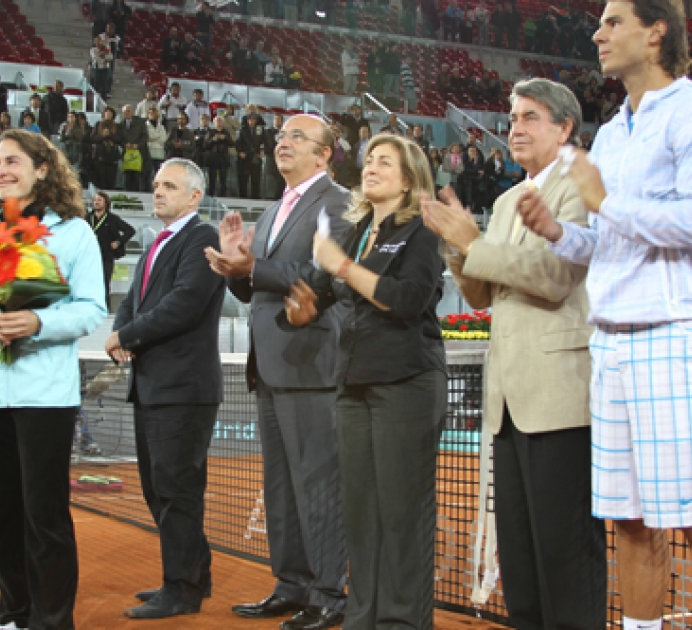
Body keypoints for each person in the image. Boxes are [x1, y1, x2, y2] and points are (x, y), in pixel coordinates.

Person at [518, 2, 692, 629]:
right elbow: (605, 241)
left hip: (676, 337)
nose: (598, 32)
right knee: (632, 524)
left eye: (614, 20)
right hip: (611, 345)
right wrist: (560, 229)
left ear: (657, 30)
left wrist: (606, 201)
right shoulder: (613, 134)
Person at [426, 78, 608, 630]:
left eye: (530, 117)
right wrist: (460, 248)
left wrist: (475, 245)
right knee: (522, 559)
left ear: (565, 128)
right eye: (512, 118)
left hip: (560, 396)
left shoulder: (583, 188)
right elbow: (481, 294)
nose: (516, 128)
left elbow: (554, 277)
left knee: (566, 554)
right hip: (506, 400)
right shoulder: (506, 200)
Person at [279, 133, 446, 630]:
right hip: (352, 384)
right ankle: (363, 617)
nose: (370, 168)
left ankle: (402, 622)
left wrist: (345, 269)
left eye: (385, 162)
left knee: (401, 513)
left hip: (406, 382)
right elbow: (321, 298)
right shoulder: (354, 233)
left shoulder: (421, 230)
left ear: (409, 178)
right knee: (361, 512)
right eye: (369, 160)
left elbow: (407, 298)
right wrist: (300, 310)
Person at [0, 129, 107, 630]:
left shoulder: (75, 232)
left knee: (46, 521)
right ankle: (14, 616)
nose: (1, 171)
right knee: (2, 524)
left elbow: (91, 309)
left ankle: (52, 621)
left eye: (12, 161)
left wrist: (38, 323)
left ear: (42, 168)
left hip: (46, 399)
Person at [205, 114, 349, 630]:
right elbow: (256, 287)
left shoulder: (338, 203)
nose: (282, 143)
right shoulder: (271, 211)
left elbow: (321, 275)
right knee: (281, 487)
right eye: (280, 136)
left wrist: (253, 269)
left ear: (324, 154)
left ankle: (330, 594)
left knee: (319, 485)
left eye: (297, 137)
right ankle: (291, 584)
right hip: (269, 366)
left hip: (312, 364)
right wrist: (235, 267)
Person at [105, 159, 225, 620]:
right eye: (156, 186)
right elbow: (132, 303)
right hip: (153, 386)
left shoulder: (202, 238)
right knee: (159, 490)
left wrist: (128, 337)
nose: (158, 192)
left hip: (183, 388)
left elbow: (184, 305)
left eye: (169, 186)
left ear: (194, 197)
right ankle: (190, 575)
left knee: (177, 491)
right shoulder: (157, 242)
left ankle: (182, 591)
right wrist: (121, 333)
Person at [88, 190, 135, 306]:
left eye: (99, 200)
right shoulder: (87, 218)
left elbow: (130, 230)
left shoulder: (112, 218)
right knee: (89, 283)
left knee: (104, 284)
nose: (96, 202)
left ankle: (105, 309)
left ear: (106, 203)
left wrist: (119, 242)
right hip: (89, 256)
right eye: (94, 200)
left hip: (106, 256)